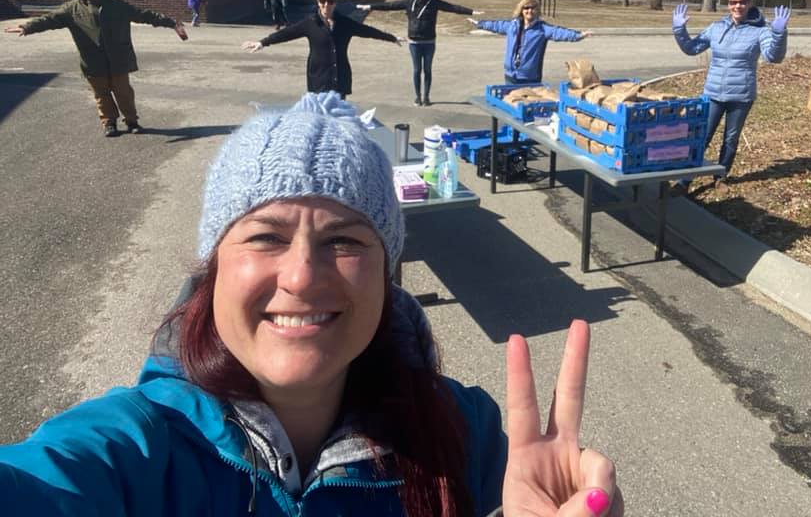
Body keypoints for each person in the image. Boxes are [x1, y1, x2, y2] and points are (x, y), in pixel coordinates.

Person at [0, 91, 622, 517]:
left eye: (344, 241)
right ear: (215, 268)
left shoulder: (468, 434)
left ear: (387, 273)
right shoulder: (133, 451)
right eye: (265, 237)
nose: (301, 276)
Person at [3, 0, 189, 137]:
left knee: (124, 93)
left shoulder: (117, 5)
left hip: (118, 60)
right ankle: (109, 123)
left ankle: (132, 122)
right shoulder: (71, 9)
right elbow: (48, 20)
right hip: (92, 61)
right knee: (102, 95)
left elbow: (145, 15)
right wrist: (27, 27)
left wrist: (172, 23)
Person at [671, 0, 790, 192]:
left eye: (742, 2)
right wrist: (679, 29)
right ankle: (684, 181)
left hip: (741, 96)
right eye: (733, 2)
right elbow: (691, 48)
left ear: (750, 2)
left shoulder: (760, 31)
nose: (737, 6)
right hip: (713, 93)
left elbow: (773, 57)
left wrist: (779, 34)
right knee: (702, 137)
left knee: (731, 139)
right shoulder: (716, 28)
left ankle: (721, 177)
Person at [243, 0, 406, 99]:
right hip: (318, 79)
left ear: (335, 3)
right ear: (318, 2)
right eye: (322, 1)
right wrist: (263, 42)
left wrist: (392, 38)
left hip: (339, 78)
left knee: (337, 120)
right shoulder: (310, 23)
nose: (326, 5)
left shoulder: (345, 23)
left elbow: (368, 31)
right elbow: (286, 33)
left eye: (330, 1)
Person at [357, 0, 483, 107]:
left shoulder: (433, 2)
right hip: (414, 43)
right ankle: (418, 97)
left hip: (429, 43)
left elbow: (452, 7)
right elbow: (390, 5)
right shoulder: (409, 1)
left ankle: (426, 97)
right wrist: (370, 6)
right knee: (417, 70)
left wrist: (472, 12)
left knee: (427, 69)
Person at [469, 0, 592, 84]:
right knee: (510, 106)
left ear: (537, 10)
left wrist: (579, 35)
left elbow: (559, 32)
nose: (529, 11)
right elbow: (496, 25)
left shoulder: (542, 29)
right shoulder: (512, 25)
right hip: (510, 76)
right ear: (521, 10)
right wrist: (480, 24)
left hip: (530, 78)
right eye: (526, 8)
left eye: (533, 8)